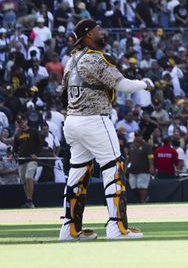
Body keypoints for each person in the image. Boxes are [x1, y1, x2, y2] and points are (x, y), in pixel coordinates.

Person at [58, 19, 153, 241]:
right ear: (88, 35)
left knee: (78, 174)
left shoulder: (71, 60)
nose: (102, 31)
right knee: (114, 168)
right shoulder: (95, 58)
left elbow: (63, 94)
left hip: (72, 121)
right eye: (98, 29)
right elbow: (122, 85)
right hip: (94, 120)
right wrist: (144, 83)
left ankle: (69, 229)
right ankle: (117, 227)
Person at [13, 116, 42, 208]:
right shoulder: (17, 134)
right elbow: (15, 148)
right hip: (22, 161)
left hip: (32, 160)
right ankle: (29, 200)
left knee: (29, 177)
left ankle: (30, 200)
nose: (21, 124)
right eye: (19, 122)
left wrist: (36, 154)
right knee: (24, 181)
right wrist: (14, 155)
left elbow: (40, 143)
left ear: (26, 121)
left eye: (22, 122)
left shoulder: (33, 131)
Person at [126, 131, 154, 203]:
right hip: (133, 169)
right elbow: (128, 157)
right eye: (137, 136)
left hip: (144, 169)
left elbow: (150, 157)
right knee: (133, 187)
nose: (138, 137)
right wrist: (125, 166)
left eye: (139, 136)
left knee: (142, 186)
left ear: (142, 136)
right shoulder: (131, 146)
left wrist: (151, 167)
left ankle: (142, 201)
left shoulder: (147, 146)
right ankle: (145, 197)